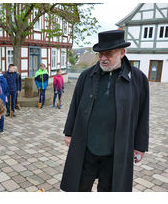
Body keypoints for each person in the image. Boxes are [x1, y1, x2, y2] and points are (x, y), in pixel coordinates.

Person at [60, 30, 149, 192]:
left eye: (108, 54)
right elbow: (75, 105)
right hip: (87, 147)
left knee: (109, 191)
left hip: (116, 151)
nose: (103, 58)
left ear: (122, 52)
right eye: (101, 54)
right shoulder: (87, 76)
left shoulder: (138, 79)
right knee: (78, 188)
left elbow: (143, 114)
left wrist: (140, 146)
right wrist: (69, 132)